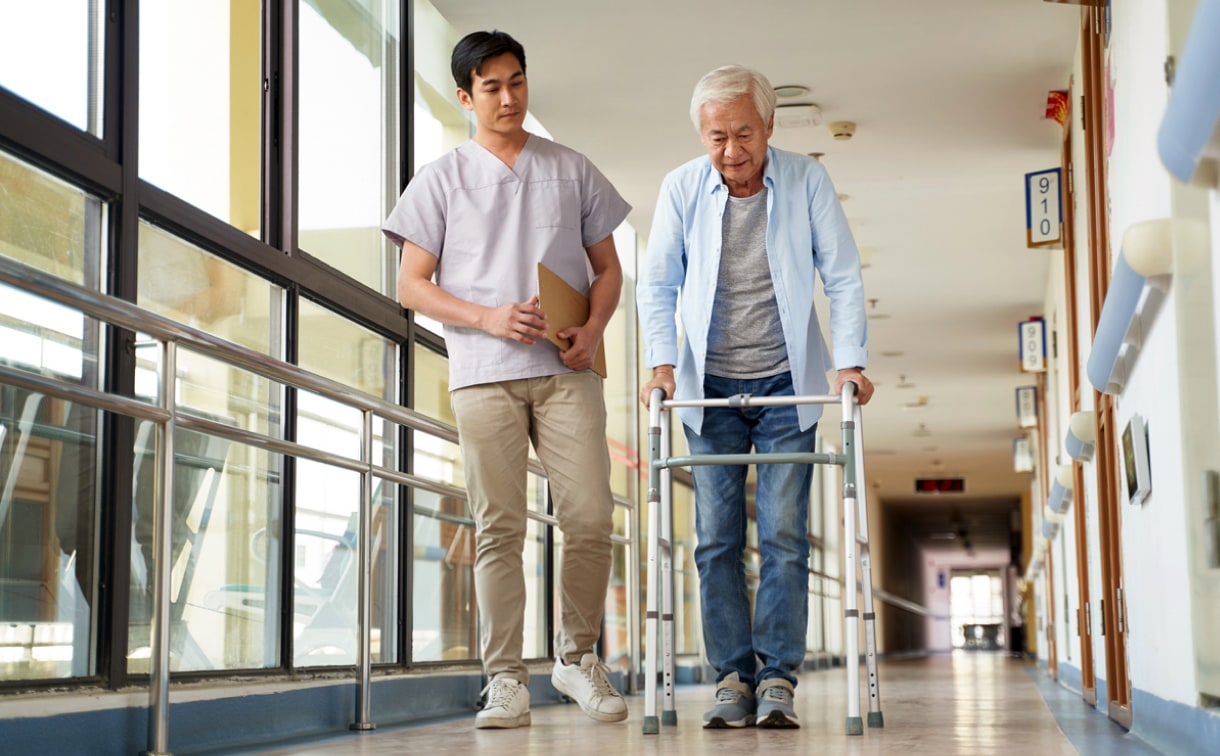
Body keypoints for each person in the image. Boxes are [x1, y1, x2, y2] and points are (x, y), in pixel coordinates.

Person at [382, 30, 630, 729]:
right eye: (490, 86)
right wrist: (485, 318)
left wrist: (595, 326)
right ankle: (504, 679)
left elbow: (608, 270)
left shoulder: (571, 168)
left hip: (564, 369)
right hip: (483, 374)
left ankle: (578, 658)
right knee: (500, 527)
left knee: (588, 515)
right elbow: (410, 284)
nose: (508, 96)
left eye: (516, 81)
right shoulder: (439, 179)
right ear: (465, 98)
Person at [637, 64, 875, 729]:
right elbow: (656, 285)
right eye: (717, 136)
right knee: (715, 539)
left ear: (769, 126)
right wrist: (660, 367)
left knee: (785, 534)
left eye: (745, 133)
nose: (732, 150)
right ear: (701, 135)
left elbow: (844, 275)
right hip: (706, 389)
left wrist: (849, 364)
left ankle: (777, 676)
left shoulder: (806, 181)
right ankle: (731, 676)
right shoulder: (681, 189)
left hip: (785, 386)